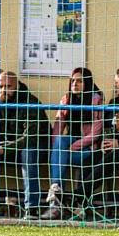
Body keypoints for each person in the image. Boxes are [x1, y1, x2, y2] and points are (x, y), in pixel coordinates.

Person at [68, 66, 119, 218]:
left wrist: (118, 143)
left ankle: (77, 196)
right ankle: (82, 207)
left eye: (117, 82)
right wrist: (104, 142)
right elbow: (108, 126)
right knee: (89, 159)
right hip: (115, 145)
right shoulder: (115, 102)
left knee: (110, 158)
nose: (115, 85)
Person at [0, 71, 50, 218]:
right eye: (0, 86)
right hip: (6, 148)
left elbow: (30, 138)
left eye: (8, 86)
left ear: (17, 86)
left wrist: (2, 149)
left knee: (28, 152)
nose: (3, 90)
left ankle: (31, 208)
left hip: (36, 148)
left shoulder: (30, 102)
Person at [43, 67, 104, 219]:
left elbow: (96, 133)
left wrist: (71, 147)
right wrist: (58, 147)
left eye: (79, 81)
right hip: (67, 148)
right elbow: (58, 127)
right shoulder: (66, 99)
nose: (74, 84)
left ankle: (62, 204)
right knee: (60, 142)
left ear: (87, 83)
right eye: (73, 81)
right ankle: (56, 195)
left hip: (88, 149)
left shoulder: (96, 99)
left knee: (60, 154)